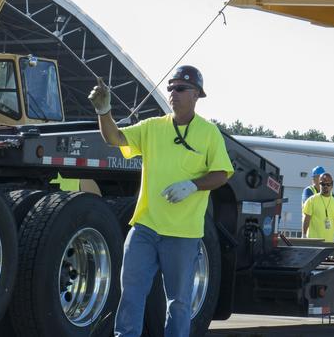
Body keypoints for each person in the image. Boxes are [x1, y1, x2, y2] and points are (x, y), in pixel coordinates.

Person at [90, 66, 234, 337]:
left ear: (196, 95)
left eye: (180, 88)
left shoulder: (209, 133)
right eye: (170, 88)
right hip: (145, 228)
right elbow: (114, 138)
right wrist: (103, 111)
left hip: (183, 234)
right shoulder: (153, 127)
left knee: (179, 303)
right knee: (131, 294)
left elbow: (222, 173)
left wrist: (192, 185)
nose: (173, 93)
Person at [302, 171, 334, 242]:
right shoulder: (311, 200)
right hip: (313, 242)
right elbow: (306, 219)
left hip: (329, 242)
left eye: (328, 184)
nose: (325, 186)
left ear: (332, 185)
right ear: (319, 184)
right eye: (323, 184)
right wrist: (303, 235)